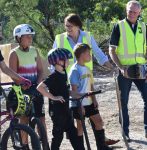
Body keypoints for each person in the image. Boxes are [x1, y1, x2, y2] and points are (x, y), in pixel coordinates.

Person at [53, 13, 119, 145]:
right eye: (66, 26)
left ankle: (101, 143)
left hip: (87, 81)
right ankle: (79, 145)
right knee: (77, 120)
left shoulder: (87, 36)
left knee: (93, 116)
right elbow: (53, 60)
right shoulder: (59, 39)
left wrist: (111, 66)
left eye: (70, 26)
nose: (68, 28)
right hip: (70, 84)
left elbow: (98, 54)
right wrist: (56, 80)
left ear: (78, 26)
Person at [109, 0, 147, 142]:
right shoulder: (118, 26)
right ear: (126, 11)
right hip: (125, 72)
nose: (132, 13)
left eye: (134, 11)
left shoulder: (144, 27)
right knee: (123, 103)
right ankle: (125, 132)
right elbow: (112, 50)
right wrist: (121, 67)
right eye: (129, 11)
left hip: (142, 70)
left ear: (139, 12)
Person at [9, 24, 49, 149]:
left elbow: (41, 70)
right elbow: (13, 74)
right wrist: (21, 84)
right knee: (24, 118)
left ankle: (45, 144)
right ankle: (25, 145)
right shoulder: (14, 53)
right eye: (27, 37)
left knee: (41, 119)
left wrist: (38, 83)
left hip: (35, 88)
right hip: (22, 90)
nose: (30, 39)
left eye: (31, 36)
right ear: (19, 38)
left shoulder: (34, 50)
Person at [69, 43, 113, 150]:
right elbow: (73, 90)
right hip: (78, 104)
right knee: (80, 128)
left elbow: (91, 85)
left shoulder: (88, 69)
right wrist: (80, 105)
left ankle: (102, 146)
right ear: (82, 55)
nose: (90, 55)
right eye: (88, 53)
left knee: (99, 122)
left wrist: (94, 99)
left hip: (89, 102)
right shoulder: (74, 70)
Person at [37, 48, 81, 150]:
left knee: (73, 134)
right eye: (65, 59)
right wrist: (53, 97)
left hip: (66, 110)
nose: (68, 61)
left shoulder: (64, 73)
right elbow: (39, 87)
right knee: (58, 136)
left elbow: (65, 91)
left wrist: (80, 94)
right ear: (57, 61)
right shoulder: (53, 76)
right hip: (57, 112)